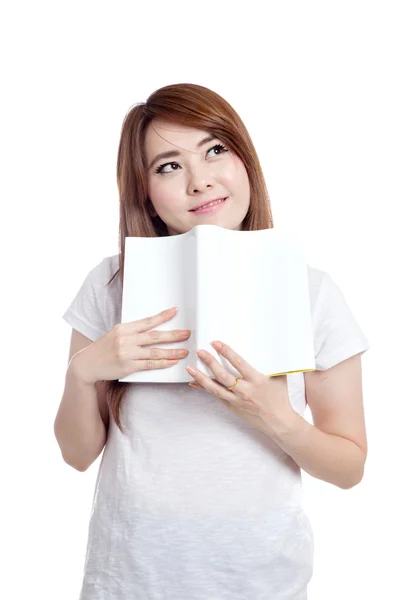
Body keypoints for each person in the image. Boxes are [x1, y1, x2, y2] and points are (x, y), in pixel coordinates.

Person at [54, 83, 370, 600]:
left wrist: (276, 416)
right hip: (127, 581)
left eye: (215, 150)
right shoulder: (112, 285)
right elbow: (76, 453)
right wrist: (84, 371)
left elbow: (349, 468)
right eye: (169, 166)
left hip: (260, 582)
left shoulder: (311, 292)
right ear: (146, 193)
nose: (200, 182)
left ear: (245, 160)